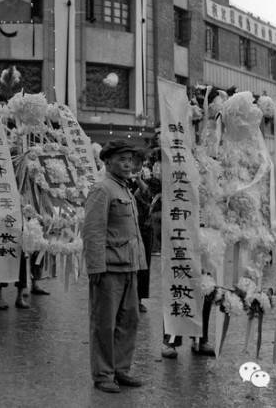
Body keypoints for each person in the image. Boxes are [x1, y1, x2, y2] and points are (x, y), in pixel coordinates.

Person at [83, 139, 147, 393]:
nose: (128, 164)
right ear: (108, 161)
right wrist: (96, 267)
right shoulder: (103, 190)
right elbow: (93, 231)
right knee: (104, 324)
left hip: (129, 266)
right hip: (109, 269)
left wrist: (139, 262)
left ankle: (121, 369)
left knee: (129, 320)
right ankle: (103, 375)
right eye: (122, 159)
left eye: (130, 160)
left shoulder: (125, 189)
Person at [128, 149, 155, 313]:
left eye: (138, 163)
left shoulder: (149, 178)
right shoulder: (121, 177)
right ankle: (125, 298)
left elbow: (151, 196)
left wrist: (139, 181)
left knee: (143, 265)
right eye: (132, 162)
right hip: (126, 227)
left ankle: (138, 299)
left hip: (144, 227)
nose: (134, 165)